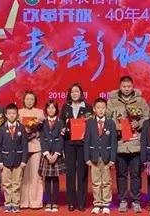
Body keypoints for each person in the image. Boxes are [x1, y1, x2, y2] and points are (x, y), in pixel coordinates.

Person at [107, 76, 150, 214]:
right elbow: (107, 119)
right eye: (124, 86)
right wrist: (118, 126)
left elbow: (147, 117)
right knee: (121, 175)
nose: (126, 89)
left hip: (135, 144)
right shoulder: (112, 101)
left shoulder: (140, 101)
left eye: (129, 86)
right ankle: (123, 200)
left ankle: (136, 201)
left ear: (132, 87)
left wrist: (139, 123)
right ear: (120, 87)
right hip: (120, 144)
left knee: (136, 174)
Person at [61, 83, 93, 212]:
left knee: (82, 173)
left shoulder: (88, 107)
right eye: (72, 92)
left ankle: (81, 202)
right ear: (70, 94)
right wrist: (63, 128)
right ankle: (71, 202)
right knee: (70, 173)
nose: (74, 94)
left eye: (77, 91)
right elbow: (61, 123)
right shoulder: (66, 107)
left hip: (82, 144)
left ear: (81, 93)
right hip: (69, 143)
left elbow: (91, 125)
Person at [84, 97, 117, 215]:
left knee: (106, 182)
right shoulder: (90, 123)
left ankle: (106, 204)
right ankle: (97, 203)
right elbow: (86, 141)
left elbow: (114, 142)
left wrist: (113, 158)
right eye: (98, 107)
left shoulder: (111, 123)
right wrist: (86, 158)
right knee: (96, 182)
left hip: (106, 157)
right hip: (93, 157)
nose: (101, 110)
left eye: (103, 107)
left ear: (106, 109)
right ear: (94, 109)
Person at [0, 103, 29, 213]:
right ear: (6, 115)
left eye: (14, 113)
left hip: (18, 160)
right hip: (5, 161)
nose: (11, 115)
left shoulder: (21, 128)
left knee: (16, 183)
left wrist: (24, 160)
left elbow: (25, 145)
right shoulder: (2, 128)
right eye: (9, 113)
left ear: (17, 114)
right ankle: (8, 203)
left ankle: (15, 203)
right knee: (6, 183)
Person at [19, 90, 45, 210]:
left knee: (36, 175)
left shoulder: (40, 113)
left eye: (32, 99)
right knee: (23, 176)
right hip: (21, 148)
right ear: (24, 100)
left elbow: (44, 130)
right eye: (27, 99)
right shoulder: (19, 112)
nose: (29, 101)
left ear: (35, 101)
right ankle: (23, 201)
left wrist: (36, 134)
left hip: (36, 147)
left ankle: (35, 202)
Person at [39, 100, 65, 212]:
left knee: (55, 179)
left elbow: (61, 139)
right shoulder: (43, 122)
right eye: (49, 108)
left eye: (53, 108)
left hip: (56, 154)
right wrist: (46, 154)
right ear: (46, 109)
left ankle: (54, 202)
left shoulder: (60, 122)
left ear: (56, 109)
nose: (51, 110)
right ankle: (48, 202)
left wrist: (56, 154)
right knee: (47, 178)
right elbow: (42, 138)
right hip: (46, 154)